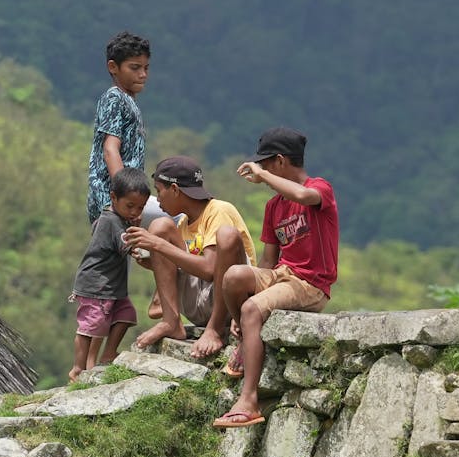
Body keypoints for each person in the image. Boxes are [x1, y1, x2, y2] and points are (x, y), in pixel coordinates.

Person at [213, 127, 339, 428]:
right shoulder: (274, 207)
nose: (263, 172)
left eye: (266, 164)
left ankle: (249, 401)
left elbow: (301, 194)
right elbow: (269, 261)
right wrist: (252, 286)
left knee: (252, 310)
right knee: (233, 276)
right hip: (282, 275)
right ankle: (245, 336)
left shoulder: (320, 188)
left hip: (310, 284)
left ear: (280, 162)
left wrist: (263, 176)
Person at [123, 156, 256, 359]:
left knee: (226, 236)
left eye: (159, 191)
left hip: (231, 301)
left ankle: (214, 328)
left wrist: (157, 245)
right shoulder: (183, 223)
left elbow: (210, 270)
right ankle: (171, 321)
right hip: (200, 301)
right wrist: (153, 261)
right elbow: (187, 265)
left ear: (175, 190)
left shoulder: (218, 210)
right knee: (160, 227)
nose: (157, 199)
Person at [68, 167, 150, 382]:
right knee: (90, 327)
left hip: (112, 287)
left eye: (140, 207)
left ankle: (108, 353)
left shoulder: (118, 218)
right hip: (98, 286)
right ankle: (78, 368)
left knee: (126, 315)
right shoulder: (111, 221)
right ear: (114, 197)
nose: (134, 211)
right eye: (130, 206)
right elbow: (126, 245)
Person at [87, 32, 151, 224]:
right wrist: (126, 195)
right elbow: (110, 148)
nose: (143, 74)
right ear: (113, 67)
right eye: (135, 68)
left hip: (127, 201)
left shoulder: (129, 102)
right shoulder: (114, 98)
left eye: (146, 68)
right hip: (113, 199)